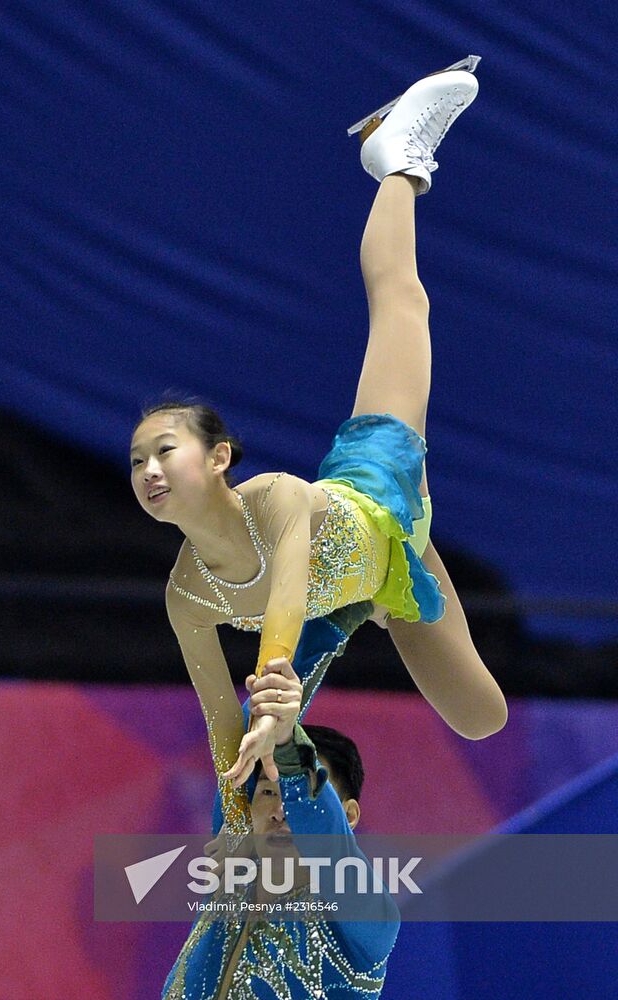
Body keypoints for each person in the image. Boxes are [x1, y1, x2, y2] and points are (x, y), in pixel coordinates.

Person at [130, 62, 508, 840]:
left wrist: (277, 700)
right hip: (359, 593)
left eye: (165, 451)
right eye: (138, 462)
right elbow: (219, 724)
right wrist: (239, 808)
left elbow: (286, 612)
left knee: (402, 301)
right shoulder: (184, 596)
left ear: (223, 457)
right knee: (481, 718)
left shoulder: (276, 497)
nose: (150, 471)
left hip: (379, 486)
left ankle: (397, 158)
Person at [161, 659, 400, 999]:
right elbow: (238, 756)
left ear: (347, 815)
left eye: (295, 793)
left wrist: (287, 741)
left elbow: (330, 848)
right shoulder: (230, 882)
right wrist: (323, 632)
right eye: (269, 792)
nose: (280, 811)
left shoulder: (370, 917)